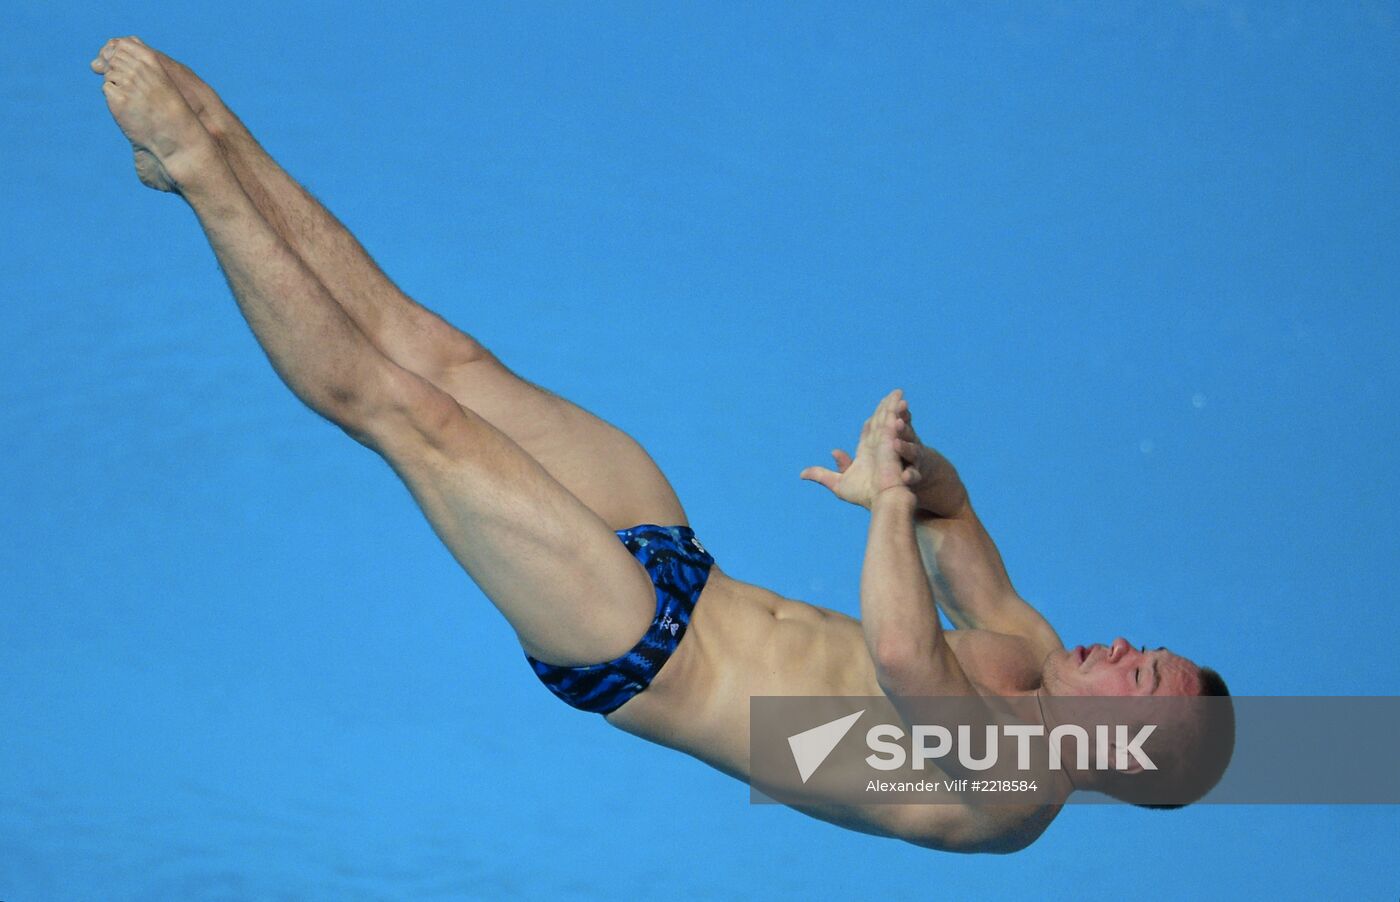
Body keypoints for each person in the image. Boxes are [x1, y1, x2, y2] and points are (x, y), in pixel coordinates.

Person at [91, 37, 1232, 853]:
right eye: (1150, 647)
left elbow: (900, 653)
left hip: (636, 644)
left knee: (400, 410)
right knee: (440, 353)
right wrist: (916, 471)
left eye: (1139, 674)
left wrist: (878, 501)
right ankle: (227, 149)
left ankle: (193, 167)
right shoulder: (1030, 648)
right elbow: (954, 523)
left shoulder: (1008, 789)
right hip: (682, 561)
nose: (1126, 641)